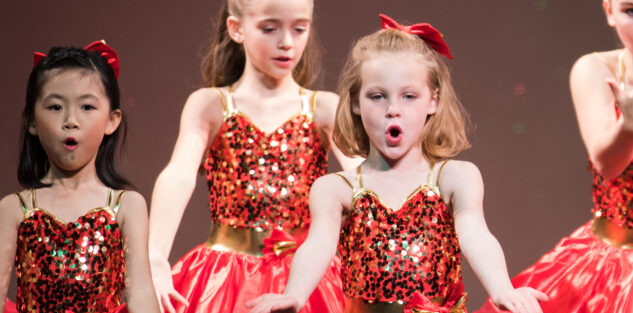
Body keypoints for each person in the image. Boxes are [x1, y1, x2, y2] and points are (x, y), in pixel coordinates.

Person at [246, 14, 548, 313]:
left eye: (409, 96)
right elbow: (318, 245)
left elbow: (476, 234)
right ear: (354, 102)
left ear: (433, 100)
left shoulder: (454, 177)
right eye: (377, 96)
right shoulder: (335, 188)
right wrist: (295, 295)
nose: (393, 110)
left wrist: (501, 289)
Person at [147, 0, 360, 312]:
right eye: (270, 28)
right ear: (237, 29)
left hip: (306, 279)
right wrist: (155, 256)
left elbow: (364, 181)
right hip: (223, 278)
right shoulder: (210, 105)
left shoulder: (324, 108)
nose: (287, 42)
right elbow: (178, 176)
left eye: (299, 29)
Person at [476, 0, 633, 312]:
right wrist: (628, 125)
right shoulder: (597, 69)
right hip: (615, 260)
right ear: (609, 12)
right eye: (630, 10)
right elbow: (608, 164)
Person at [0, 41, 159, 313]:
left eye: (86, 107)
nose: (70, 120)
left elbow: (141, 293)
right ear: (32, 122)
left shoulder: (127, 205)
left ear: (112, 119)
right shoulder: (15, 208)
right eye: (55, 107)